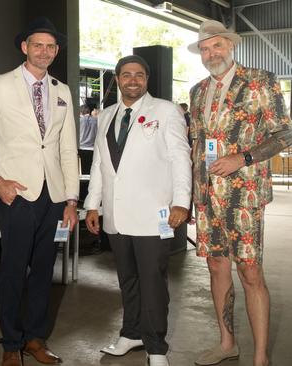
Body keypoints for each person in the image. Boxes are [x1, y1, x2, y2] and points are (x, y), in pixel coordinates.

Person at [187, 20, 292, 366]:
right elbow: (196, 145)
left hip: (244, 193)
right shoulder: (198, 91)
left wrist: (242, 158)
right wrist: (192, 193)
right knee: (217, 267)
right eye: (204, 48)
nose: (210, 53)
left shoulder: (261, 80)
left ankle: (260, 357)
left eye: (216, 46)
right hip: (208, 198)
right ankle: (226, 343)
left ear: (230, 46)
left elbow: (284, 135)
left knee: (250, 272)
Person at [0, 17, 79, 366]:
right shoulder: (1, 84)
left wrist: (71, 200)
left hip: (53, 196)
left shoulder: (62, 90)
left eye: (51, 46)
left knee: (44, 269)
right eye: (38, 45)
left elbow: (67, 149)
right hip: (16, 194)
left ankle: (35, 338)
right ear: (25, 47)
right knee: (13, 271)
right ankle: (10, 344)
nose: (45, 51)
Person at [84, 55, 191, 366]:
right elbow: (100, 165)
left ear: (147, 79)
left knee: (153, 280)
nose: (133, 80)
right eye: (126, 74)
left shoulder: (165, 111)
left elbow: (180, 158)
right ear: (117, 79)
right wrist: (93, 204)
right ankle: (131, 333)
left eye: (139, 75)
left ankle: (156, 346)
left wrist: (181, 201)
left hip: (154, 213)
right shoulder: (106, 115)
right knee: (127, 278)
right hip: (117, 215)